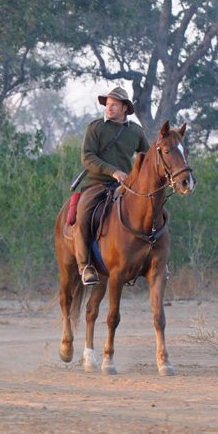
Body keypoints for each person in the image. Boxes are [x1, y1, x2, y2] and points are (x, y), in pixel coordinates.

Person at [73, 87, 149, 286]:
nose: (109, 108)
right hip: (96, 185)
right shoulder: (96, 128)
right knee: (82, 218)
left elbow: (147, 159)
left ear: (125, 107)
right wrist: (113, 171)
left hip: (126, 187)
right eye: (107, 104)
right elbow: (87, 158)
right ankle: (85, 266)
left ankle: (155, 260)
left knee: (157, 214)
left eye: (114, 104)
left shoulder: (136, 131)